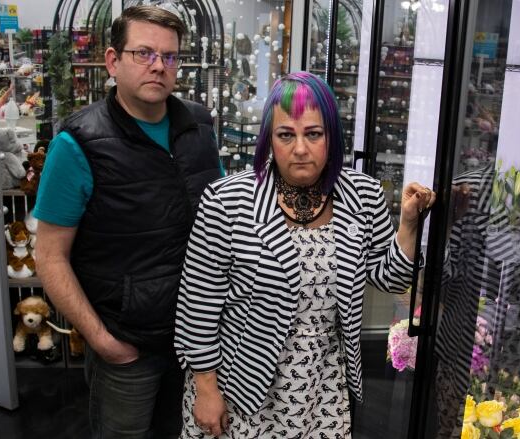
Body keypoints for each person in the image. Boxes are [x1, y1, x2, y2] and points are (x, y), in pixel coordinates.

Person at [174, 71, 436, 438]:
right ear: (269, 139)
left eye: (313, 133)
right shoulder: (227, 201)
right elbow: (197, 307)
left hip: (323, 386)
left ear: (331, 137)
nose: (300, 148)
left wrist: (408, 225)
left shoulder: (362, 194)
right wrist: (205, 389)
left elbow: (389, 277)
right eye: (286, 135)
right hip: (240, 386)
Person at [33, 6, 221, 438]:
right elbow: (50, 256)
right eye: (144, 53)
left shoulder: (199, 127)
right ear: (113, 61)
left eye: (170, 56)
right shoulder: (78, 143)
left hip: (197, 344)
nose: (158, 65)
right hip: (127, 348)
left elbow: (220, 223)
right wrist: (102, 342)